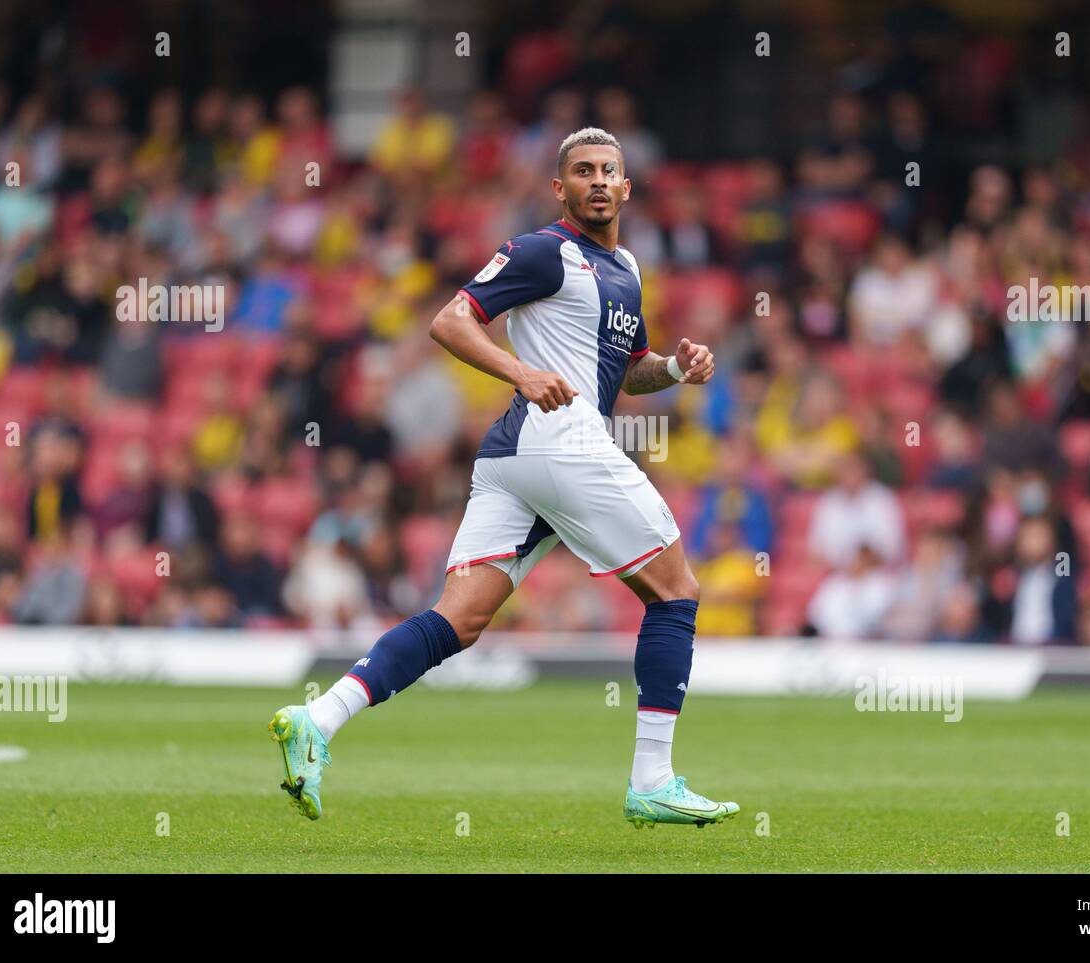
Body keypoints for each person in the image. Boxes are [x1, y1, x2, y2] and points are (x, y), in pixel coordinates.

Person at [269, 128, 739, 828]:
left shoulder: (629, 270)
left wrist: (673, 369)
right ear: (561, 188)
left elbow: (624, 369)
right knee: (676, 591)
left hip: (520, 458)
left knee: (459, 618)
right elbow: (450, 321)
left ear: (628, 186)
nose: (599, 181)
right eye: (583, 171)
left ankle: (318, 716)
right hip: (560, 442)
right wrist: (519, 370)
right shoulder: (544, 250)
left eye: (610, 170)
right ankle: (653, 778)